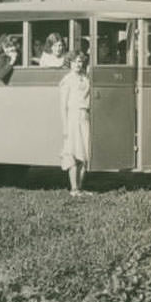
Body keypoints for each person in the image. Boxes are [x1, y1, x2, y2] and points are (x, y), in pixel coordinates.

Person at [59, 51, 92, 196]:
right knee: (73, 152)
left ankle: (80, 187)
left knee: (84, 154)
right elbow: (63, 105)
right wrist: (65, 127)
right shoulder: (67, 80)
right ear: (69, 63)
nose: (77, 64)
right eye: (74, 62)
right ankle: (74, 189)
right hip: (73, 116)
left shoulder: (85, 78)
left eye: (79, 61)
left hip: (84, 116)